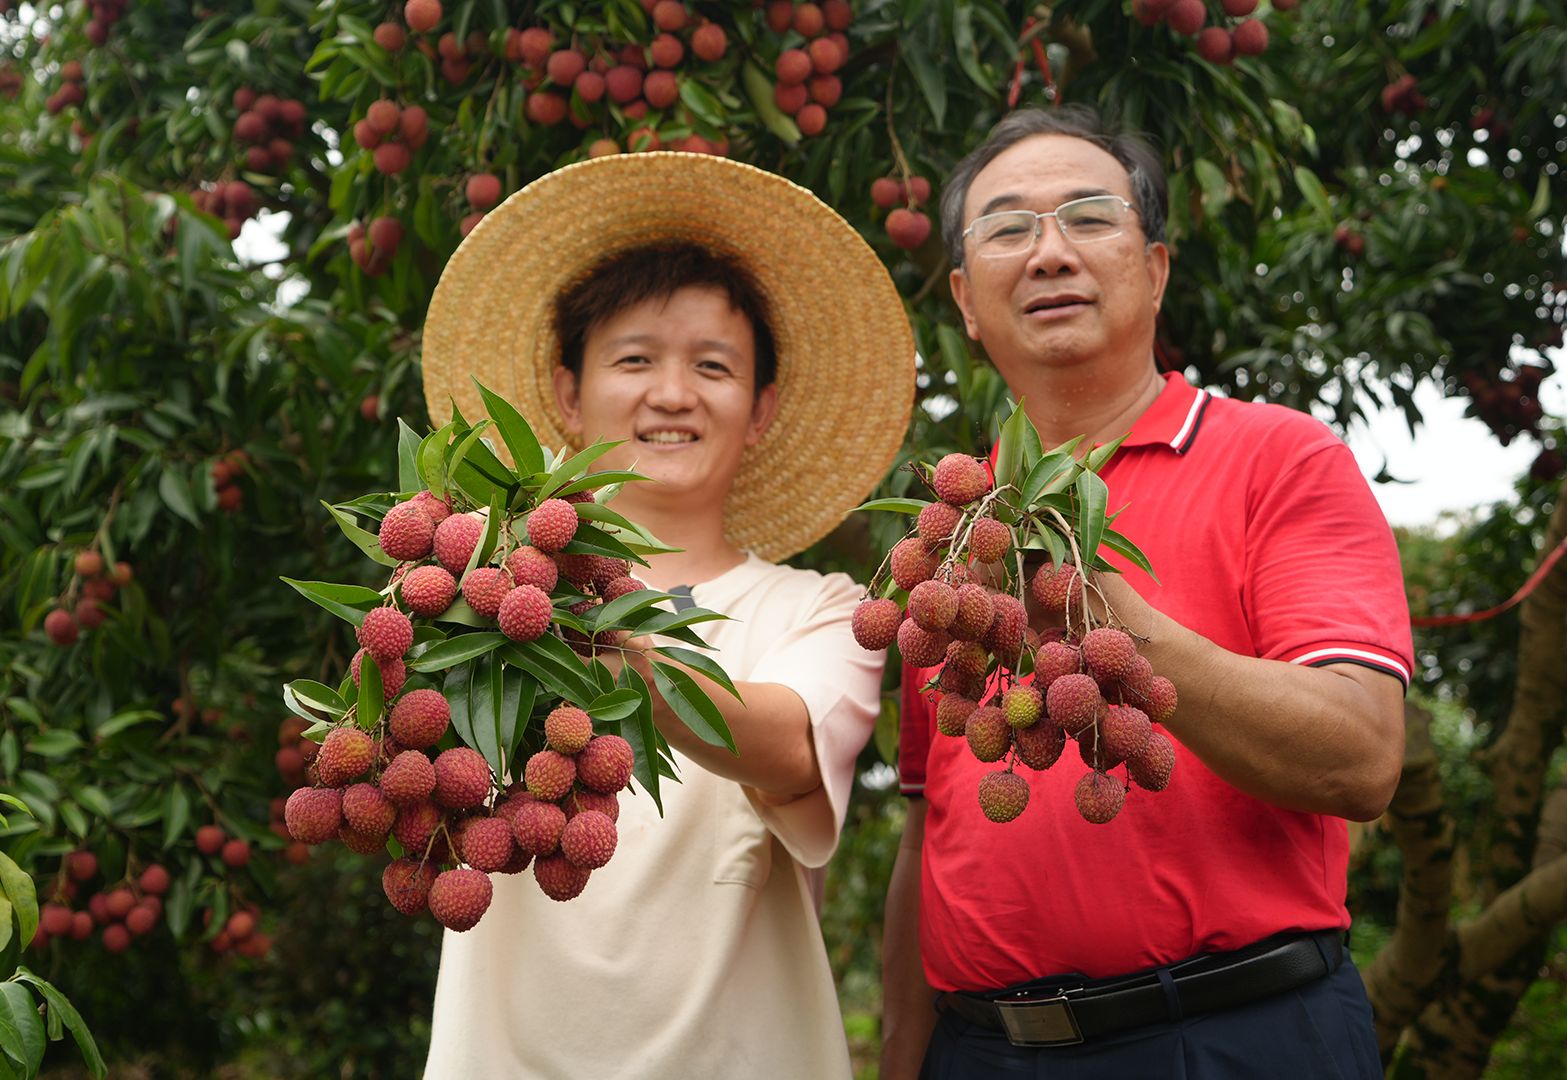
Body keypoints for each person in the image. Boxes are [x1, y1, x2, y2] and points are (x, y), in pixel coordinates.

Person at [881, 106, 1412, 1078]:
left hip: (1235, 1037)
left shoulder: (1281, 459)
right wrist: (901, 1059)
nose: (1047, 253)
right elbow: (930, 835)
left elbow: (1363, 756)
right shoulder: (952, 536)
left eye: (1087, 218)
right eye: (1007, 228)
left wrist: (1110, 617)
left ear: (1156, 268)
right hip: (979, 1053)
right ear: (963, 296)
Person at [417, 153, 915, 1078]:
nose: (673, 393)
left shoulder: (820, 608)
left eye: (713, 367)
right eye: (635, 359)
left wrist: (609, 636)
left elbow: (788, 749)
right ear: (568, 394)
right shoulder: (470, 596)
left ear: (761, 408)